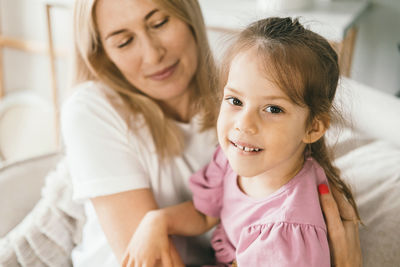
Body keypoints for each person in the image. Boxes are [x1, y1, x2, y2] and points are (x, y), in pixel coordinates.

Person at [61, 0, 361, 266]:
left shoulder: (284, 227)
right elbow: (207, 212)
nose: (153, 55)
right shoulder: (233, 153)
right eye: (124, 41)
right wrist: (158, 220)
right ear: (103, 55)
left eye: (159, 22)